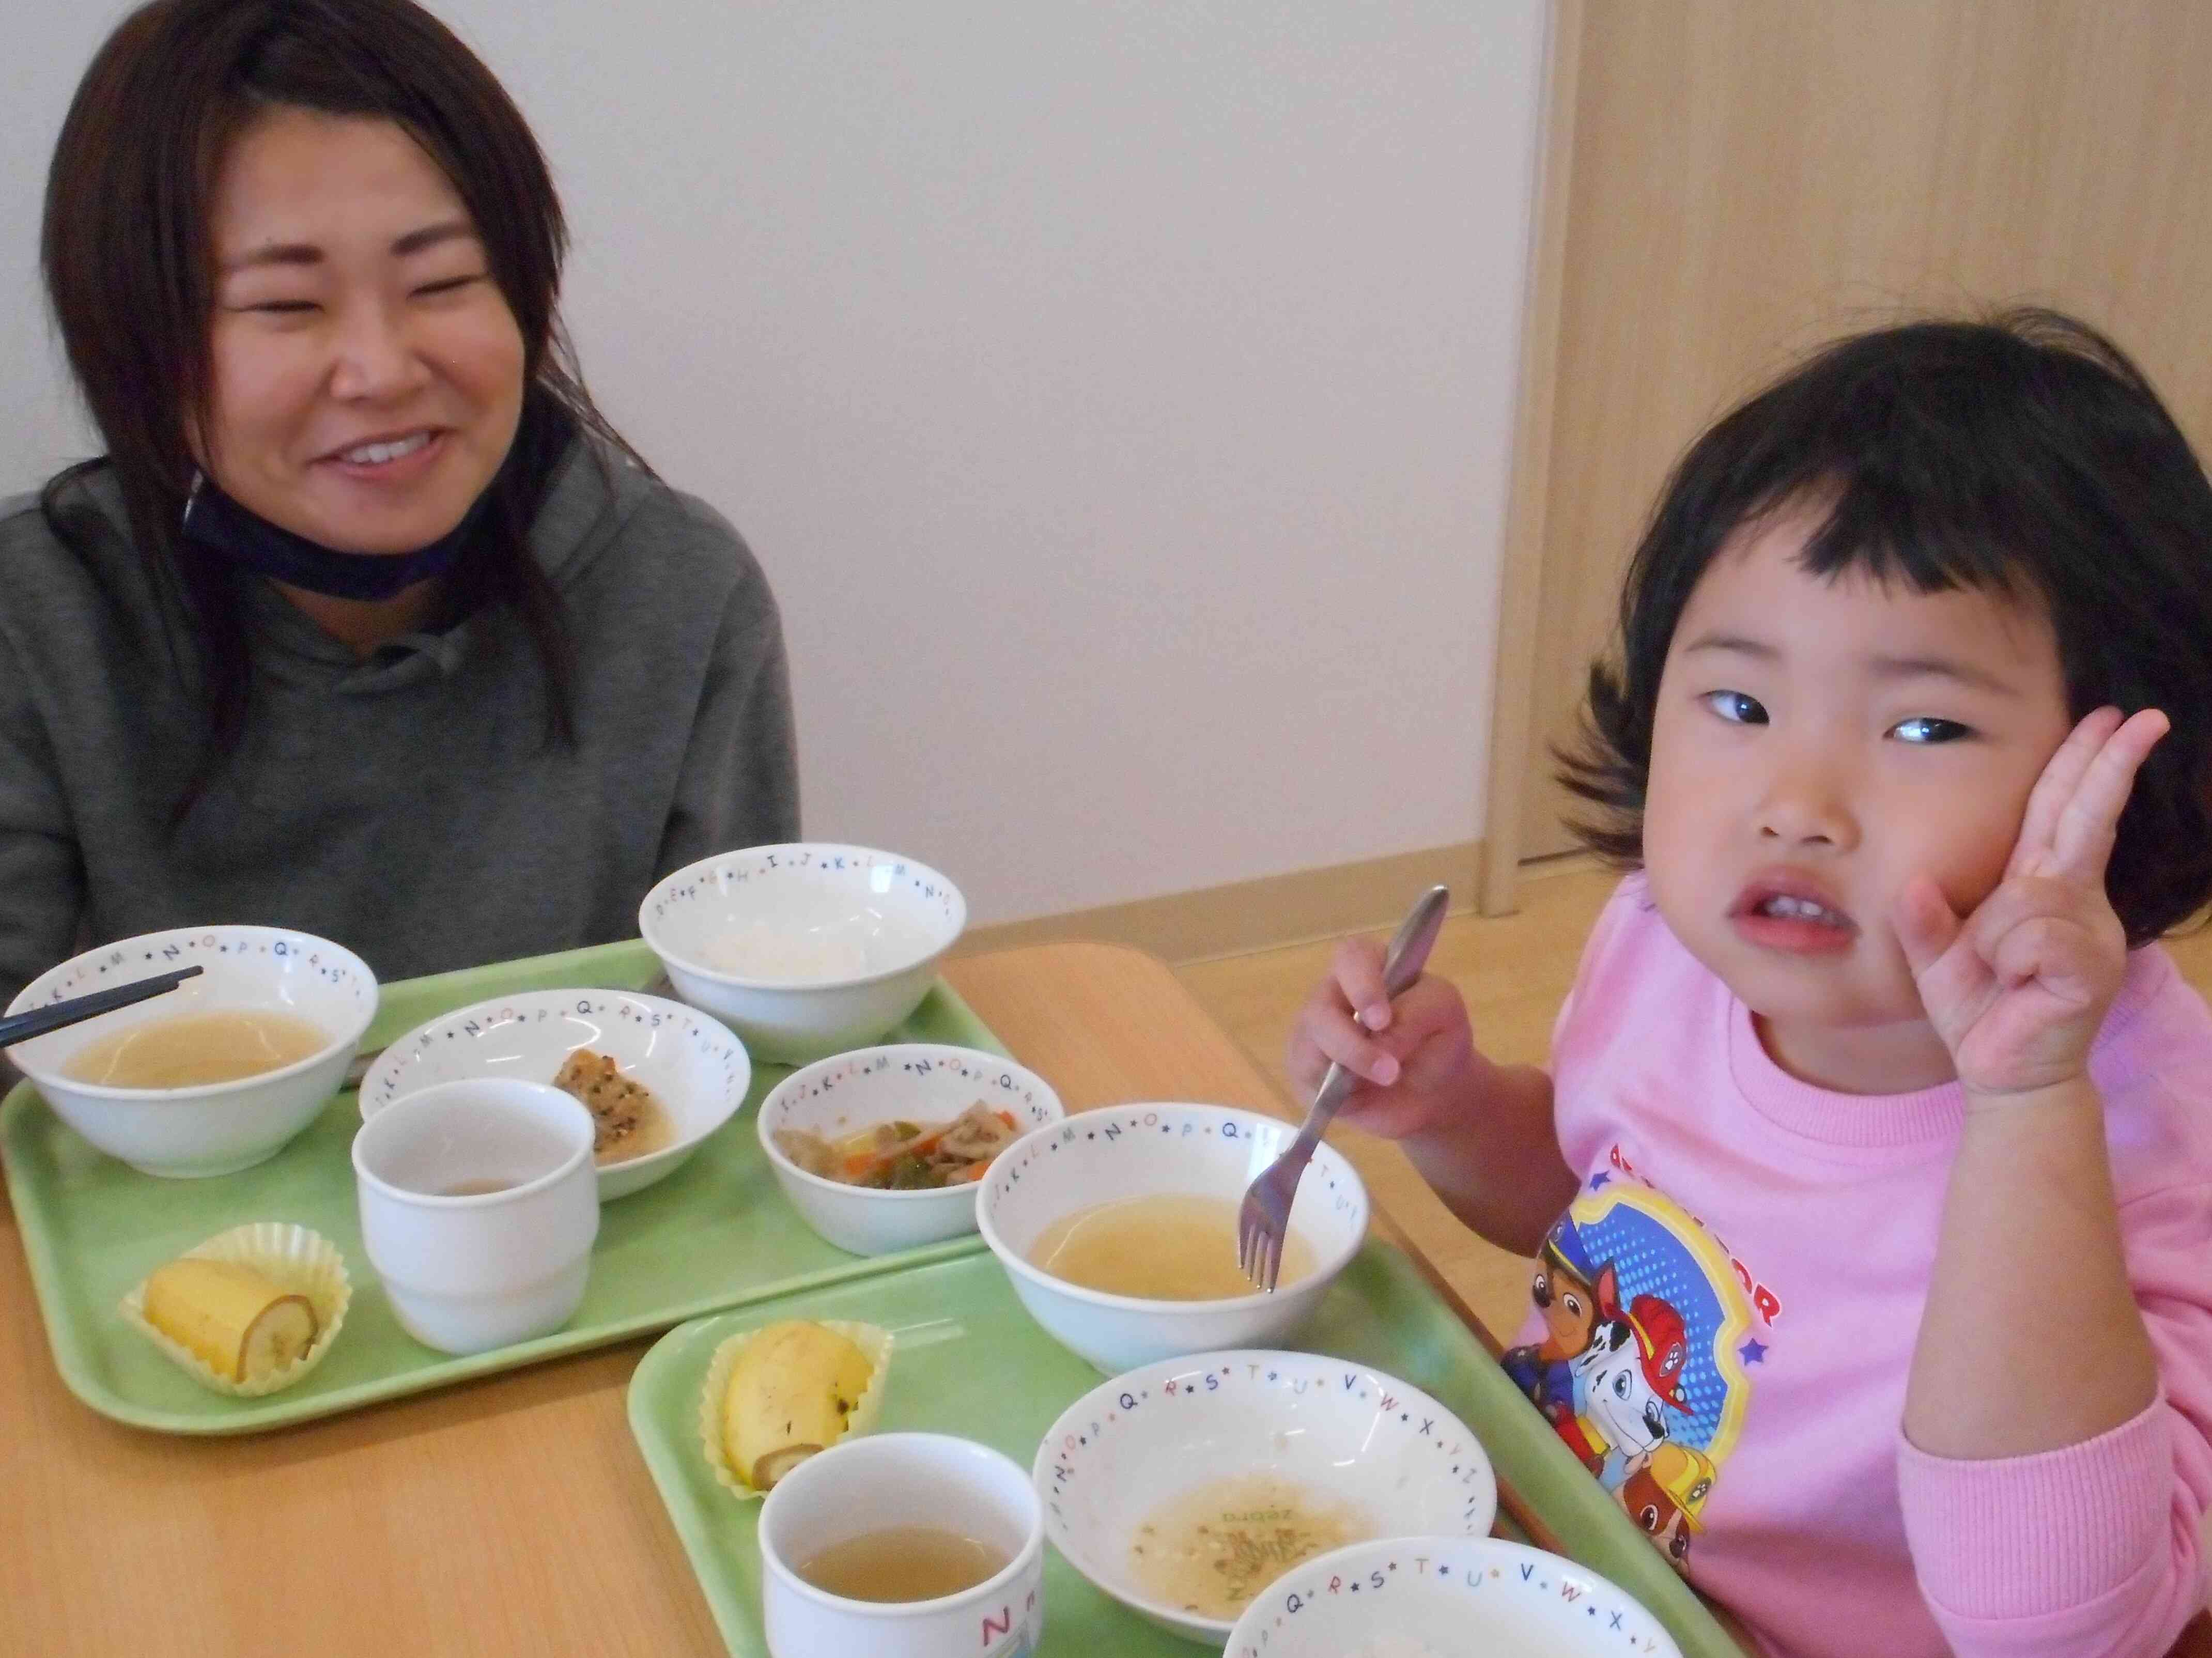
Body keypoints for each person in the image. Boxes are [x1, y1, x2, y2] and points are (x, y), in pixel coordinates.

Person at [1291, 312, 2212, 1657]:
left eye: (1921, 726)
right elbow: (1601, 1212)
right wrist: (1451, 1107)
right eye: (1737, 703)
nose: (1795, 803)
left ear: (2115, 783)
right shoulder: (1664, 943)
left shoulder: (2143, 1121)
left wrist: (2024, 1103)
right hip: (1553, 1548)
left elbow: (2071, 1631)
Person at [0, 0, 798, 1017]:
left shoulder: (676, 589)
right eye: (286, 304)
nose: (379, 370)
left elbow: (750, 1023)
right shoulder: (37, 619)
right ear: (134, 336)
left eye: (442, 281)